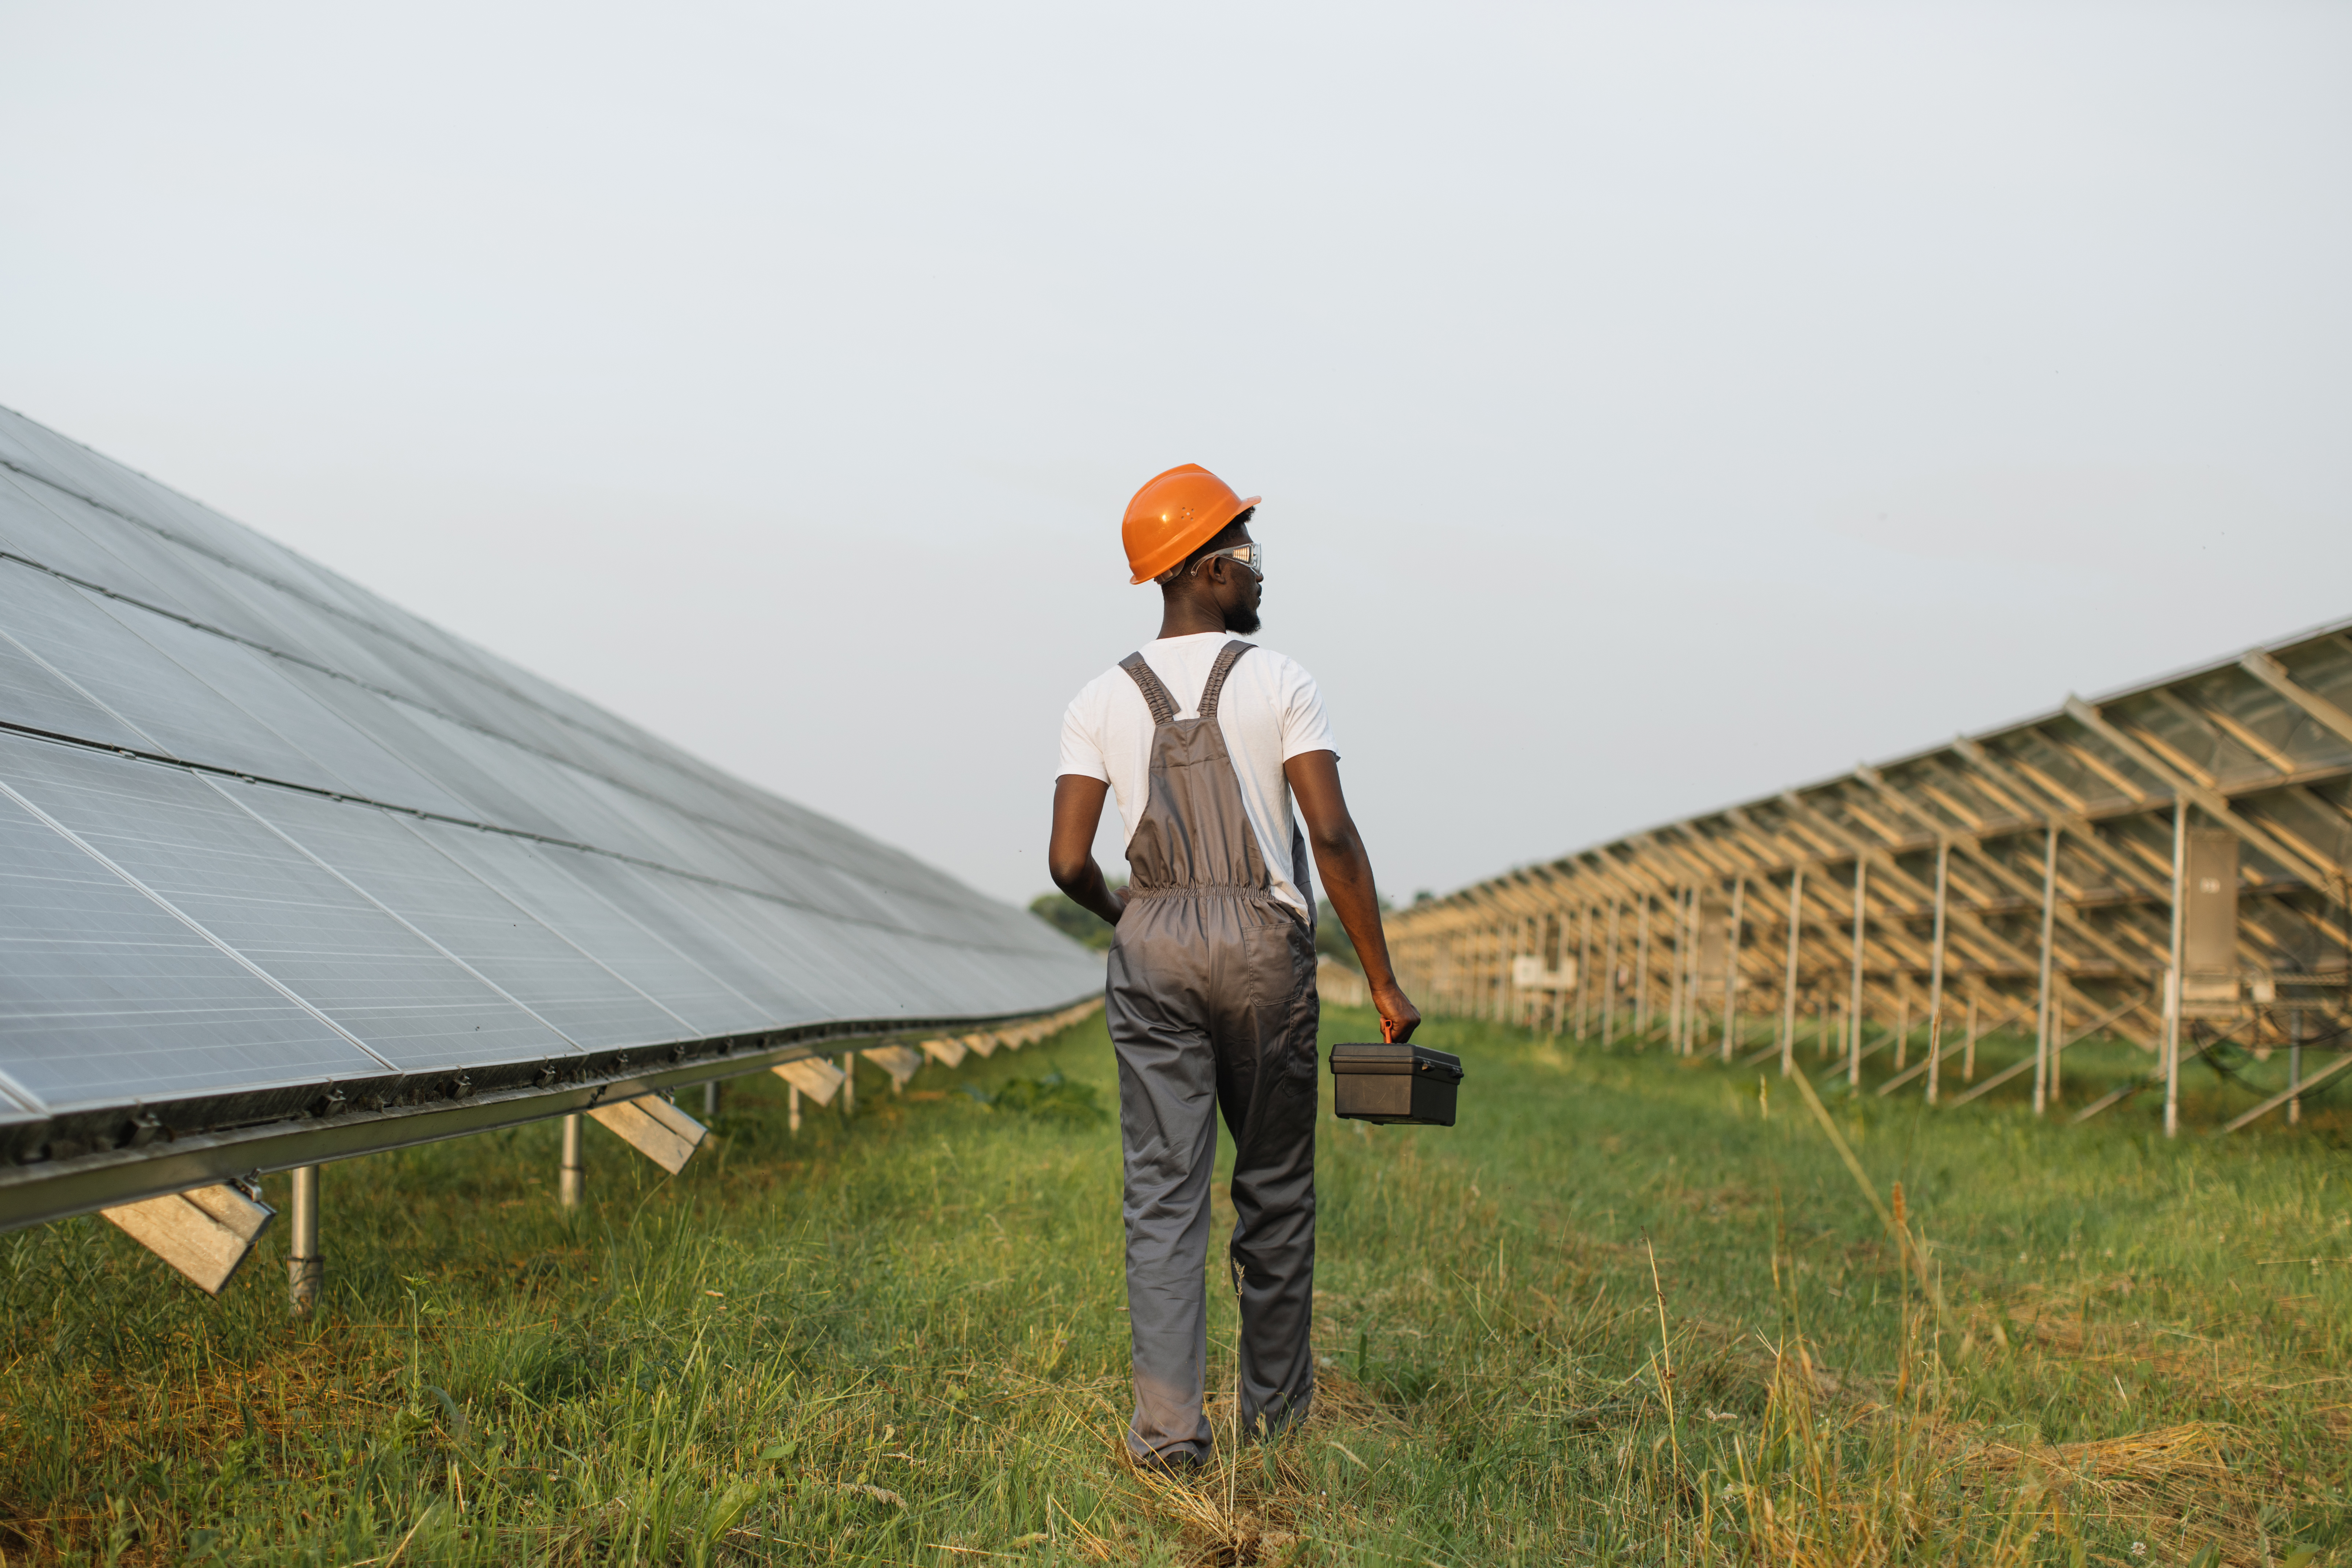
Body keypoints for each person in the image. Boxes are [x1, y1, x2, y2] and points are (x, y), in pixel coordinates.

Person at [1048, 462, 1421, 1472]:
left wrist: (1134, 917)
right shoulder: (1281, 680)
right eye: (1248, 554)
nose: (1259, 573)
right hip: (1261, 945)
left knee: (1163, 1194)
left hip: (1153, 944)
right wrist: (1382, 979)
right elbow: (1330, 834)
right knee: (1275, 1189)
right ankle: (1274, 1428)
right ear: (1208, 568)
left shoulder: (1097, 698)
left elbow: (1069, 861)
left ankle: (1169, 1436)